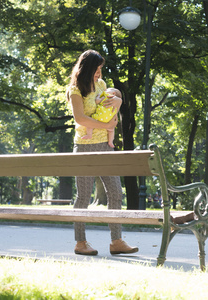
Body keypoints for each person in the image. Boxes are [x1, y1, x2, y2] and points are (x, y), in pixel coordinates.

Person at [66, 49, 138, 256]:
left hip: (105, 147)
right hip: (84, 147)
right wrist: (104, 125)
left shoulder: (102, 85)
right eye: (96, 69)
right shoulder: (75, 91)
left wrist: (114, 116)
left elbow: (110, 106)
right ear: (87, 68)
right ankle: (80, 242)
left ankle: (116, 241)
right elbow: (80, 119)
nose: (99, 73)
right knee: (83, 197)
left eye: (100, 69)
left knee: (116, 192)